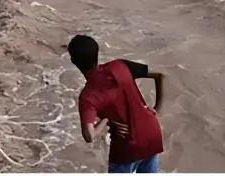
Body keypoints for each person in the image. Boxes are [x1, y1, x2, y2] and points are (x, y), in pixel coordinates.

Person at [68, 34, 165, 173]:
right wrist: (157, 108)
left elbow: (89, 136)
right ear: (97, 52)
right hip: (151, 133)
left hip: (128, 145)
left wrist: (106, 119)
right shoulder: (120, 65)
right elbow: (159, 75)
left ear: (73, 61)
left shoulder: (87, 97)